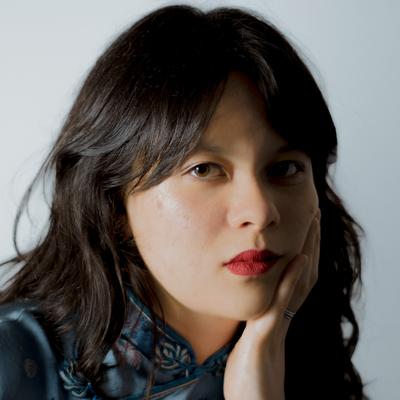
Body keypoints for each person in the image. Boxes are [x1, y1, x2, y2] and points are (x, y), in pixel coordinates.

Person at [0, 4, 368, 399]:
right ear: (114, 204)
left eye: (284, 168)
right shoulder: (14, 362)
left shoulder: (311, 369)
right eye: (204, 169)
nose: (260, 212)